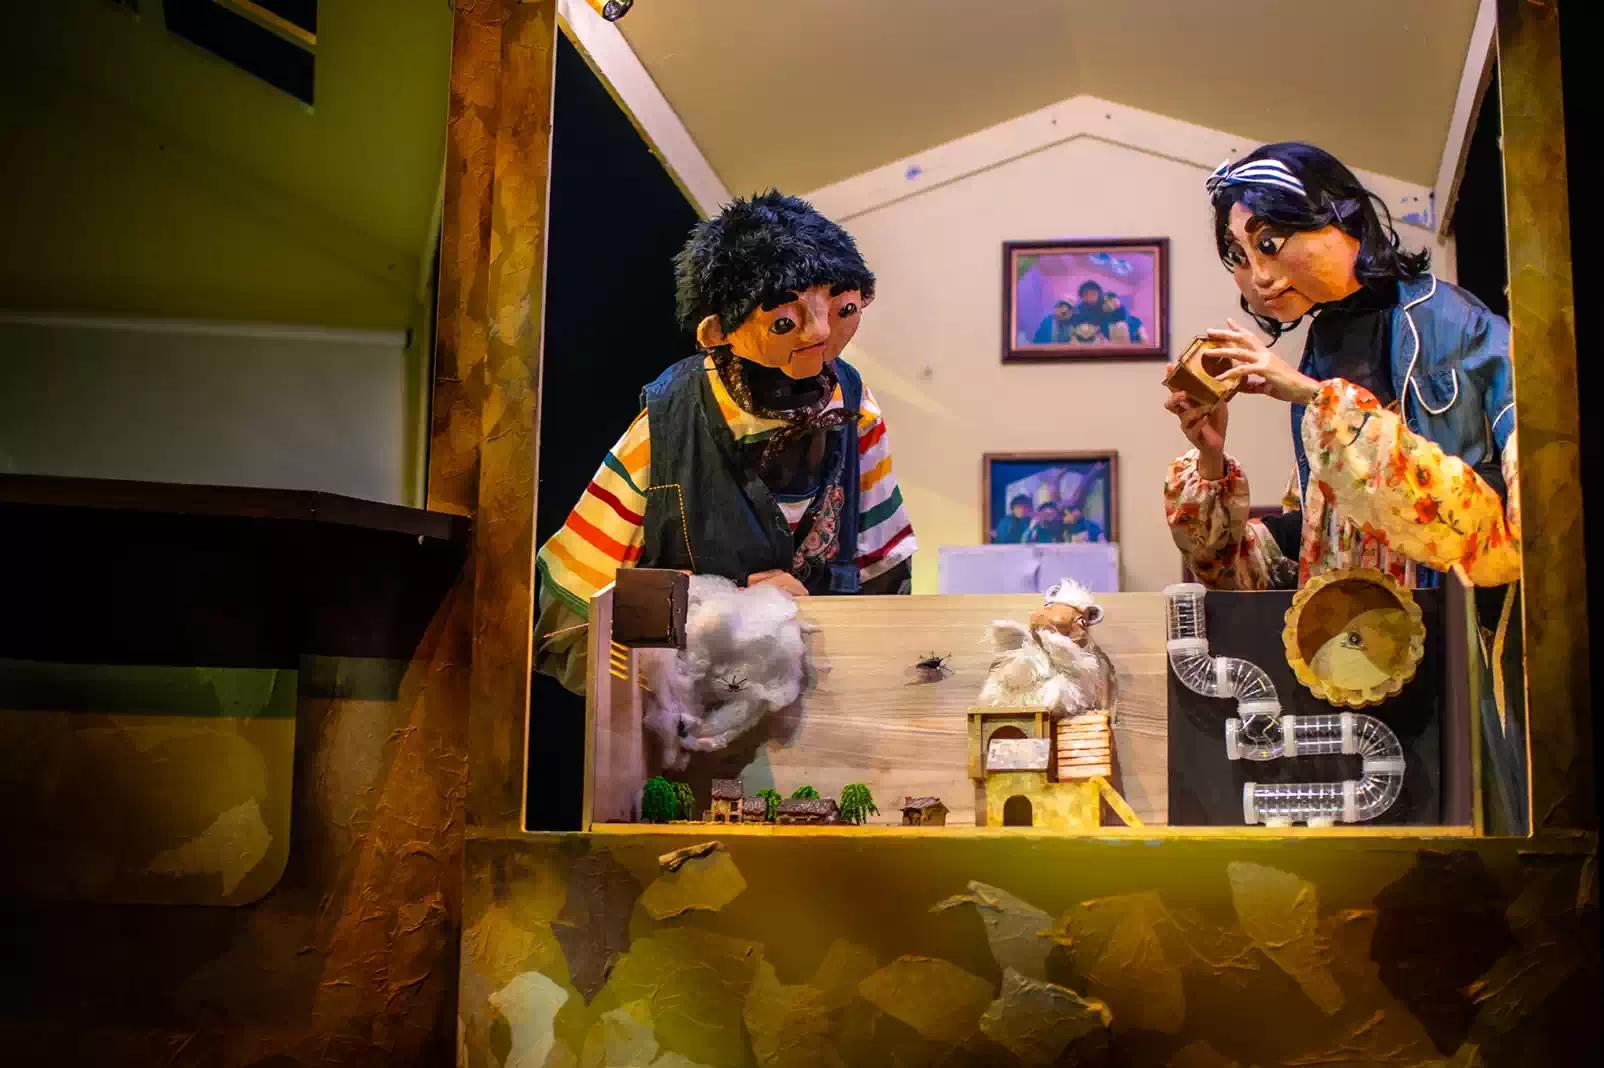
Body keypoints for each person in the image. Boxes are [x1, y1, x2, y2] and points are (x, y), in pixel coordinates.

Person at [1161, 141, 1523, 826]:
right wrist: (1209, 461)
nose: (1259, 276)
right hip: (1348, 686)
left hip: (1457, 671)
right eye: (1239, 256)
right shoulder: (1325, 342)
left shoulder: (1458, 327)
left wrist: (1311, 396)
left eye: (1271, 242)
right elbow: (1291, 554)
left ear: (1344, 216)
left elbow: (1499, 535)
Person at [535, 191, 918, 693]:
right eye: (785, 322)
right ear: (718, 332)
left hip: (823, 716)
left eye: (844, 308)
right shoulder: (671, 424)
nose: (821, 331)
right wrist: (715, 612)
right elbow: (570, 621)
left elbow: (885, 582)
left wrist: (836, 636)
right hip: (690, 721)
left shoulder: (853, 407)